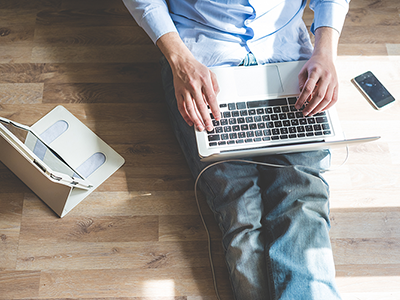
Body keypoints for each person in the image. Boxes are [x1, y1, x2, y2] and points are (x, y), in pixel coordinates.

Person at [123, 1, 350, 299]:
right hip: (201, 65)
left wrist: (326, 51)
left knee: (303, 199)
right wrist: (179, 61)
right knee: (240, 208)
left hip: (287, 59)